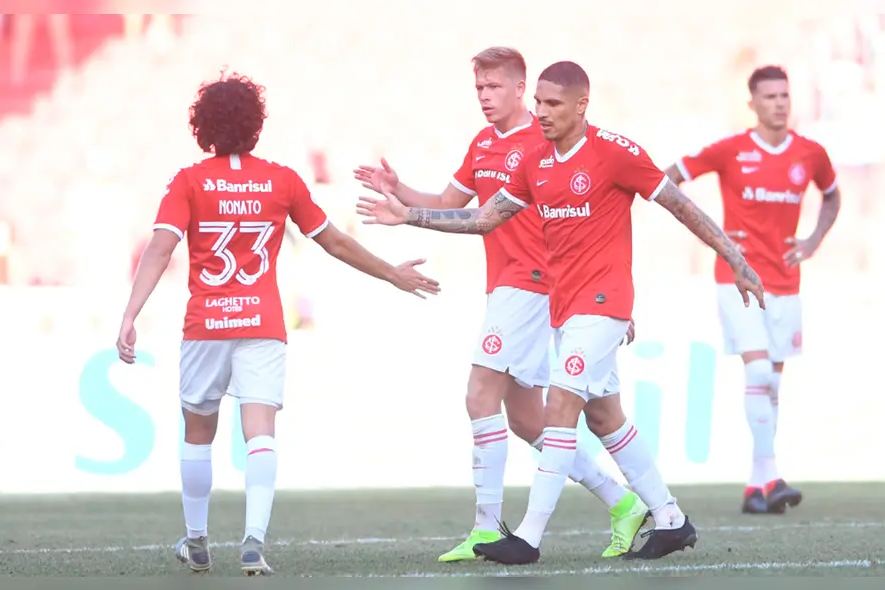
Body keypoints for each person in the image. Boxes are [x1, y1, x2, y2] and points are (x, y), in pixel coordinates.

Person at [357, 60, 766, 564]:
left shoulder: (616, 153)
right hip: (564, 306)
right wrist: (410, 215)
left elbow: (680, 204)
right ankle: (669, 518)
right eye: (539, 104)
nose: (542, 113)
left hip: (604, 303)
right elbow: (483, 219)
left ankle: (526, 537)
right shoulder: (536, 163)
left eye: (552, 104)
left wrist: (735, 257)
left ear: (580, 105)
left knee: (558, 408)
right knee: (605, 416)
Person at [115, 73, 440, 576]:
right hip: (263, 323)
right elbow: (334, 241)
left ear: (202, 127)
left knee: (198, 432)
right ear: (256, 125)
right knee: (260, 431)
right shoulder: (281, 181)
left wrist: (130, 313)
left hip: (207, 324)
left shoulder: (188, 181)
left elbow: (161, 247)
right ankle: (253, 542)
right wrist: (391, 273)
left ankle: (198, 540)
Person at [354, 47, 648, 561]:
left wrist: (613, 299)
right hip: (512, 287)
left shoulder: (548, 140)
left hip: (534, 285)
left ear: (521, 89)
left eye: (494, 88)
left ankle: (487, 526)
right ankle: (623, 501)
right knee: (529, 421)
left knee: (479, 393)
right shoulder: (483, 144)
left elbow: (596, 217)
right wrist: (399, 191)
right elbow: (451, 205)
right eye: (478, 90)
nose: (486, 98)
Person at [663, 65, 841, 515]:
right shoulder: (731, 150)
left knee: (773, 384)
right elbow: (668, 180)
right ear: (753, 104)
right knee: (759, 374)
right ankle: (773, 475)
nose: (779, 103)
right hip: (737, 279)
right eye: (769, 96)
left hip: (786, 283)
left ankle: (756, 486)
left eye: (784, 95)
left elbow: (833, 195)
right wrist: (713, 236)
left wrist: (813, 240)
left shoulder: (810, 154)